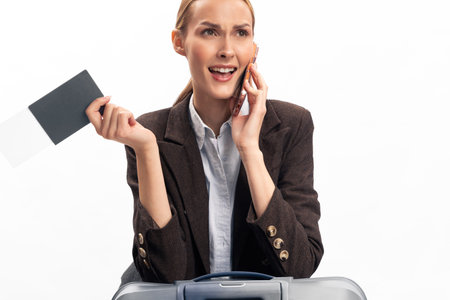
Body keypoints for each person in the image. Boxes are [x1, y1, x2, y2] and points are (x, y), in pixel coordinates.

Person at [86, 0, 323, 284]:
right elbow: (166, 275)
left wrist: (249, 150)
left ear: (254, 49)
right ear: (179, 42)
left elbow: (300, 265)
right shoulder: (150, 133)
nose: (226, 49)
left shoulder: (290, 126)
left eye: (241, 33)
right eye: (210, 32)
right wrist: (146, 149)